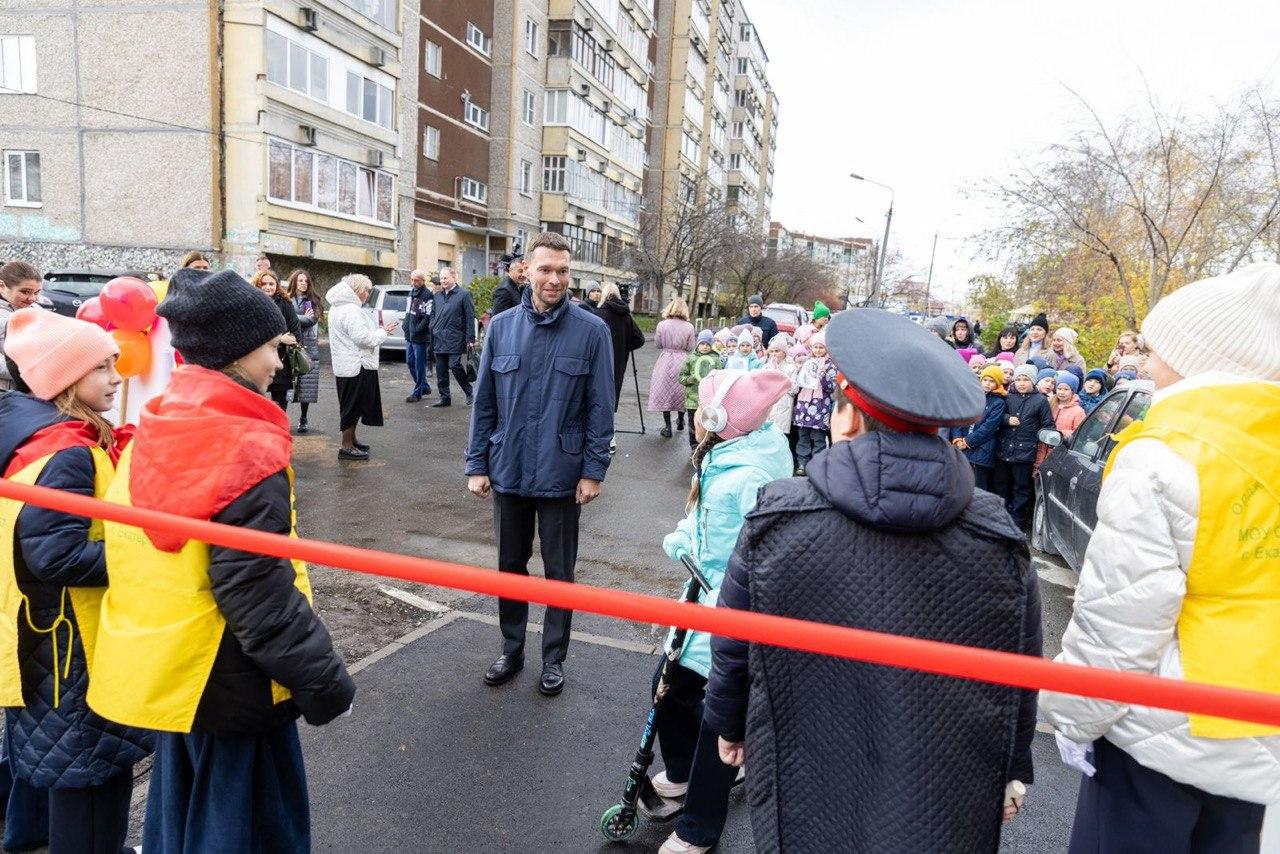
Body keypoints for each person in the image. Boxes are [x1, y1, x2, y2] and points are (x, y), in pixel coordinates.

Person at [703, 308, 1041, 853]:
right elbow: (1020, 667)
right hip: (944, 788)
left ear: (849, 420)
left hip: (804, 761)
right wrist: (1014, 763)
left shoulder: (778, 518)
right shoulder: (996, 533)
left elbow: (734, 640)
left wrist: (729, 722)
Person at [87, 269, 356, 853]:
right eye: (271, 348)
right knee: (248, 830)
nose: (279, 364)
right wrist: (324, 680)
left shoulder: (159, 422)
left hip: (175, 674)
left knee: (183, 823)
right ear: (237, 350)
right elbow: (256, 593)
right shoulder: (245, 446)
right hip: (230, 678)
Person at [1041, 263, 1280, 853]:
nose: (1146, 365)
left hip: (1163, 731)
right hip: (1261, 731)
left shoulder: (1163, 454)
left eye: (1156, 350)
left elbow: (1120, 623)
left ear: (1200, 356)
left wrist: (1073, 719)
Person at [0, 310, 153, 854]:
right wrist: (144, 554)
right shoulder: (66, 453)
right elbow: (55, 555)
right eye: (103, 367)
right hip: (73, 651)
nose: (117, 376)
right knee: (90, 779)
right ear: (65, 379)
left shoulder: (40, 435)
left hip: (46, 645)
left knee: (61, 770)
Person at [464, 232, 615, 697]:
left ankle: (554, 658)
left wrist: (593, 471)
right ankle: (512, 648)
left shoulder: (592, 331)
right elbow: (484, 401)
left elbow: (600, 407)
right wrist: (477, 463)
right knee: (510, 564)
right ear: (526, 270)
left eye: (563, 271)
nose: (554, 279)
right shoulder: (503, 326)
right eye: (546, 269)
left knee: (559, 572)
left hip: (562, 474)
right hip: (507, 467)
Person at [652, 369, 794, 854]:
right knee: (667, 689)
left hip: (730, 606)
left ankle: (699, 828)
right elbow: (702, 517)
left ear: (719, 419)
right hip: (701, 596)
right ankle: (678, 772)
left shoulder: (749, 474)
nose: (696, 414)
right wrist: (685, 537)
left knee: (720, 717)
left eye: (705, 406)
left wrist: (705, 559)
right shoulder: (726, 455)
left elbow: (764, 550)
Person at [327, 274, 396, 461]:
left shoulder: (338, 307)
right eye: (366, 290)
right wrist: (383, 332)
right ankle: (346, 446)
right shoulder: (351, 310)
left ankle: (352, 440)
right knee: (352, 406)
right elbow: (363, 339)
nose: (367, 294)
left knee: (351, 405)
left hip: (347, 364)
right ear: (357, 290)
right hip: (357, 364)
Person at [994, 364, 1054, 530]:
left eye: (1025, 379)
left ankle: (1017, 520)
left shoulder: (1041, 401)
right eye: (1018, 379)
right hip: (1003, 450)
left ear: (1032, 382)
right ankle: (1000, 516)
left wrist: (1050, 436)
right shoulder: (1007, 397)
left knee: (1021, 487)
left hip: (1025, 453)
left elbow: (1048, 424)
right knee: (1001, 484)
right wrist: (1006, 419)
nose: (1021, 383)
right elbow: (995, 416)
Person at [249, 270, 302, 411]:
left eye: (271, 284)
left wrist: (292, 340)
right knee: (255, 398)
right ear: (257, 285)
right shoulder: (251, 303)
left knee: (279, 403)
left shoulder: (285, 302)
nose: (268, 287)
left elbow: (296, 329)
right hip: (257, 359)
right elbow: (250, 332)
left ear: (277, 285)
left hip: (281, 360)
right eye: (263, 284)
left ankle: (278, 429)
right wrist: (280, 339)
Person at [952, 364, 1008, 491]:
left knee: (978, 486)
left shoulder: (998, 403)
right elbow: (960, 418)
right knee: (959, 482)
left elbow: (989, 427)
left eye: (992, 381)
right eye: (985, 380)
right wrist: (957, 438)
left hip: (982, 449)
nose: (987, 384)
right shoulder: (972, 396)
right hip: (962, 446)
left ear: (998, 383)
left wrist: (967, 441)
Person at [428, 267, 476, 408]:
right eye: (441, 278)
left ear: (453, 278)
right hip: (439, 337)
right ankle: (445, 398)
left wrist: (470, 339)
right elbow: (433, 313)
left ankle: (470, 392)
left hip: (456, 337)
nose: (443, 280)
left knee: (454, 365)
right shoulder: (437, 296)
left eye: (446, 278)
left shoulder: (464, 294)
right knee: (441, 370)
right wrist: (432, 325)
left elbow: (469, 317)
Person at [649, 298, 696, 438]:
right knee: (682, 391)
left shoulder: (662, 325)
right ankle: (681, 421)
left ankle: (668, 427)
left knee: (666, 392)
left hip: (666, 359)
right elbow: (690, 347)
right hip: (682, 360)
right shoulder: (689, 327)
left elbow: (657, 344)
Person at [595, 283, 645, 412]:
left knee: (598, 390)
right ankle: (611, 418)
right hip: (619, 360)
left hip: (600, 359)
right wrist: (625, 346)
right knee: (614, 389)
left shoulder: (598, 314)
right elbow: (639, 339)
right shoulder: (626, 316)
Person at [792, 330, 836, 474]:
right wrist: (799, 373)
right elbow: (798, 384)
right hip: (804, 404)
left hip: (820, 405)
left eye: (821, 347)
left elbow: (831, 387)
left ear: (826, 348)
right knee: (803, 435)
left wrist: (823, 376)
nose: (818, 350)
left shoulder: (831, 365)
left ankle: (817, 465)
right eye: (815, 347)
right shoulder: (807, 362)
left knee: (818, 438)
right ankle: (802, 463)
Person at [289, 268, 323, 432]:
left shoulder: (313, 301)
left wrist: (291, 318)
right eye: (300, 280)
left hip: (309, 347)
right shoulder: (286, 298)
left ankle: (303, 418)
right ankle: (282, 417)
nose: (303, 283)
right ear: (294, 281)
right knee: (286, 384)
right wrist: (297, 318)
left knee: (306, 386)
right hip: (289, 346)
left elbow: (311, 319)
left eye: (306, 281)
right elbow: (282, 318)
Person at [0, 262, 43, 393]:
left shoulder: (37, 309)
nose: (32, 298)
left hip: (36, 392)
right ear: (1, 286)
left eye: (37, 292)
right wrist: (33, 370)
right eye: (25, 292)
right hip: (7, 396)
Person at [679, 331, 721, 453]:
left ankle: (705, 446)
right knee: (693, 424)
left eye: (708, 344)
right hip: (692, 399)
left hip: (709, 400)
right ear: (697, 344)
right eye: (702, 343)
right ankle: (694, 447)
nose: (705, 346)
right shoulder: (691, 358)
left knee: (708, 424)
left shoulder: (716, 359)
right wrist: (689, 379)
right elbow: (682, 376)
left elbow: (719, 376)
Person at [403, 269, 435, 403]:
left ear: (422, 281)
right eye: (412, 279)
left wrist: (417, 329)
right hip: (409, 335)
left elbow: (427, 317)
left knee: (419, 364)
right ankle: (425, 386)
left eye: (416, 280)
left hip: (420, 336)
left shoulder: (427, 295)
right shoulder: (411, 292)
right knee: (410, 362)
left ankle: (417, 393)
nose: (413, 282)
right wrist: (405, 325)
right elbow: (408, 312)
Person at [1051, 372, 1086, 438]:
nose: (1062, 392)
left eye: (1066, 389)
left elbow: (1079, 432)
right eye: (1059, 389)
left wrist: (1060, 434)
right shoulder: (1050, 403)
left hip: (1062, 445)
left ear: (1073, 391)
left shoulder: (1078, 412)